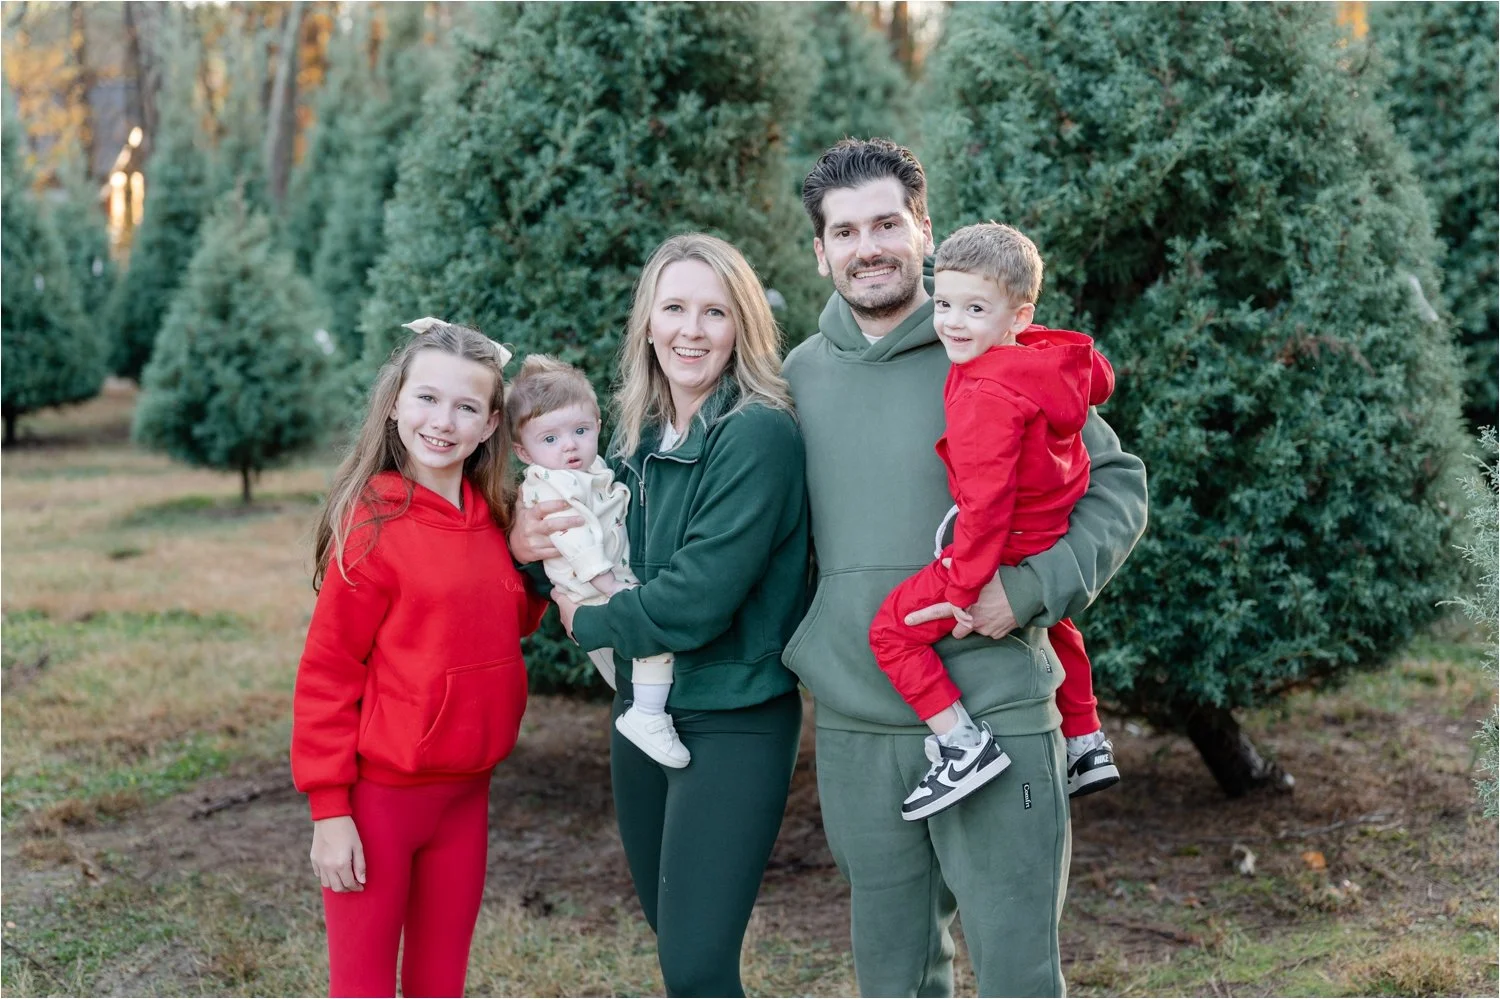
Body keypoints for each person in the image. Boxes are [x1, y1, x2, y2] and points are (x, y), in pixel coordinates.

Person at [783, 138, 1149, 996]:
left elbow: (1117, 486)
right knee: (893, 975)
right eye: (845, 232)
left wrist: (1026, 590)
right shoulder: (797, 376)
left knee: (1019, 972)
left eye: (887, 224)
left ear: (924, 230)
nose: (868, 247)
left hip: (998, 704)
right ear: (821, 251)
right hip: (859, 723)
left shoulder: (997, 356)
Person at [509, 233, 809, 997]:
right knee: (672, 936)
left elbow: (696, 598)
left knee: (697, 966)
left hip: (732, 715)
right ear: (647, 321)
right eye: (674, 308)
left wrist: (589, 623)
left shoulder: (757, 432)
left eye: (715, 312)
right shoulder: (636, 437)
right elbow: (588, 544)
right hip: (640, 712)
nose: (691, 330)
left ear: (742, 325)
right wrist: (528, 546)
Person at [291, 319, 547, 998]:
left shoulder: (493, 516)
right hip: (379, 800)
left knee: (440, 982)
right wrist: (330, 811)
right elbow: (327, 674)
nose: (442, 421)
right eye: (427, 398)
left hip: (466, 793)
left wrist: (529, 567)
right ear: (395, 403)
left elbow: (502, 623)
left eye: (466, 406)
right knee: (365, 986)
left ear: (490, 424)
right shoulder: (372, 526)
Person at [868, 221, 1122, 822]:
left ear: (1018, 315)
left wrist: (962, 590)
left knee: (891, 632)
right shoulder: (1041, 361)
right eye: (945, 304)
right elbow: (1102, 377)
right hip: (1047, 528)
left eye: (975, 309)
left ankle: (962, 745)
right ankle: (1086, 740)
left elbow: (985, 508)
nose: (952, 323)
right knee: (1057, 623)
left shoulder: (985, 394)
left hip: (1004, 543)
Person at [505, 353, 689, 768]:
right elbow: (576, 539)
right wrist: (611, 586)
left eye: (580, 430)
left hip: (600, 580)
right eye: (549, 439)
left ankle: (642, 709)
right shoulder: (550, 484)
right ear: (523, 451)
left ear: (598, 425)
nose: (569, 445)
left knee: (627, 667)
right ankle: (647, 715)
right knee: (649, 645)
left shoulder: (591, 469)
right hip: (588, 586)